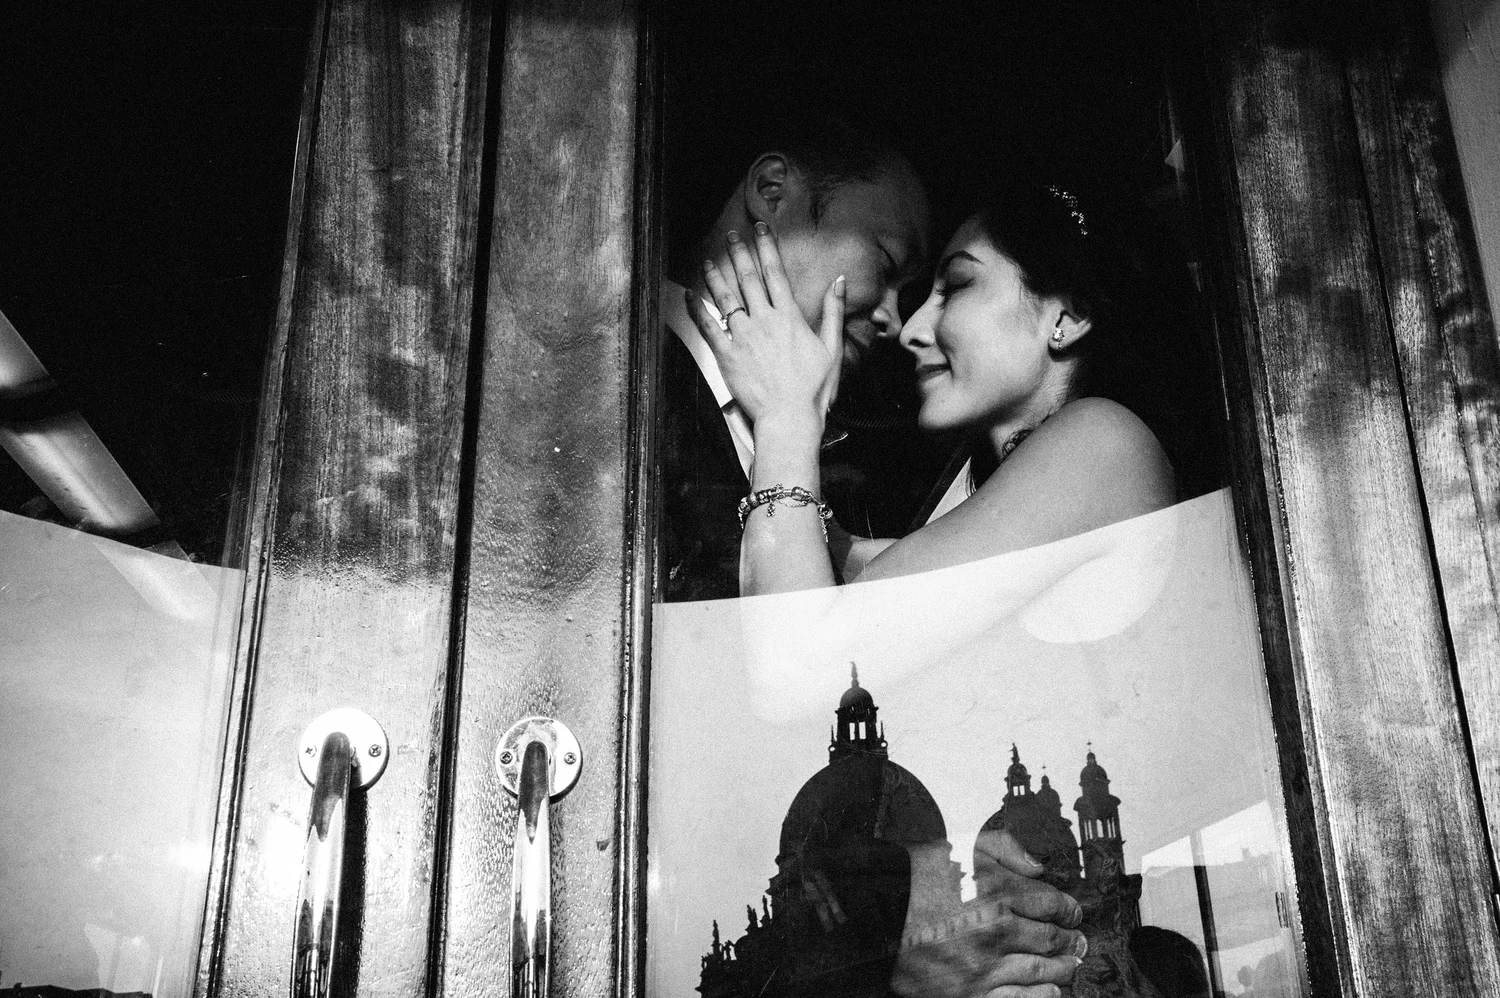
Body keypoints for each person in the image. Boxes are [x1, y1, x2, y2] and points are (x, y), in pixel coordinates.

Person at [686, 184, 1181, 996]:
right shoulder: (994, 494)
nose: (913, 328)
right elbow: (831, 586)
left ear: (1067, 315)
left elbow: (798, 666)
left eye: (955, 286)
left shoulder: (1102, 442)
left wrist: (786, 420)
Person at [661, 119, 932, 602]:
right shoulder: (625, 369)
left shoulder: (839, 469)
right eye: (886, 262)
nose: (894, 320)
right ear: (772, 191)